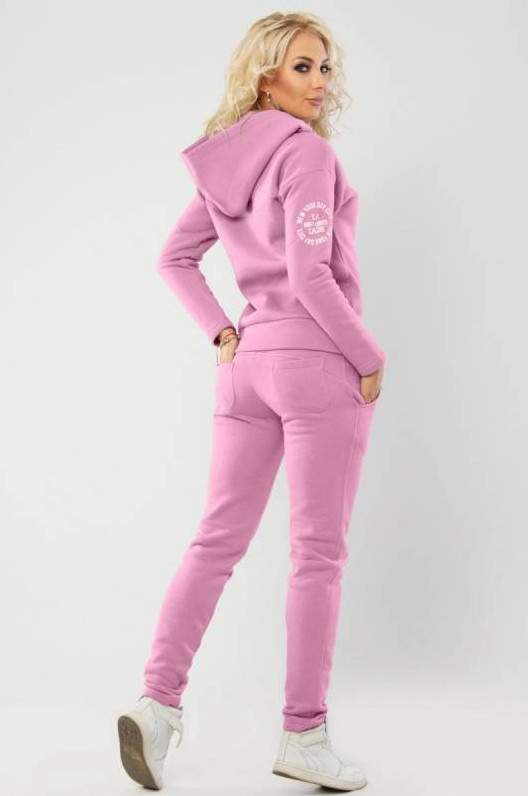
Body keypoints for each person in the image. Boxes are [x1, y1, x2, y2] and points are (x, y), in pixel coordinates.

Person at [117, 11, 386, 792]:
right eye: (302, 66)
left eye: (325, 66)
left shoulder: (227, 161)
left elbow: (175, 259)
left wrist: (224, 331)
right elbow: (310, 274)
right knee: (318, 555)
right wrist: (369, 357)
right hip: (315, 363)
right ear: (266, 75)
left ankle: (156, 706)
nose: (320, 82)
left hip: (248, 367)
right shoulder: (306, 154)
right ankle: (304, 735)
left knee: (215, 542)